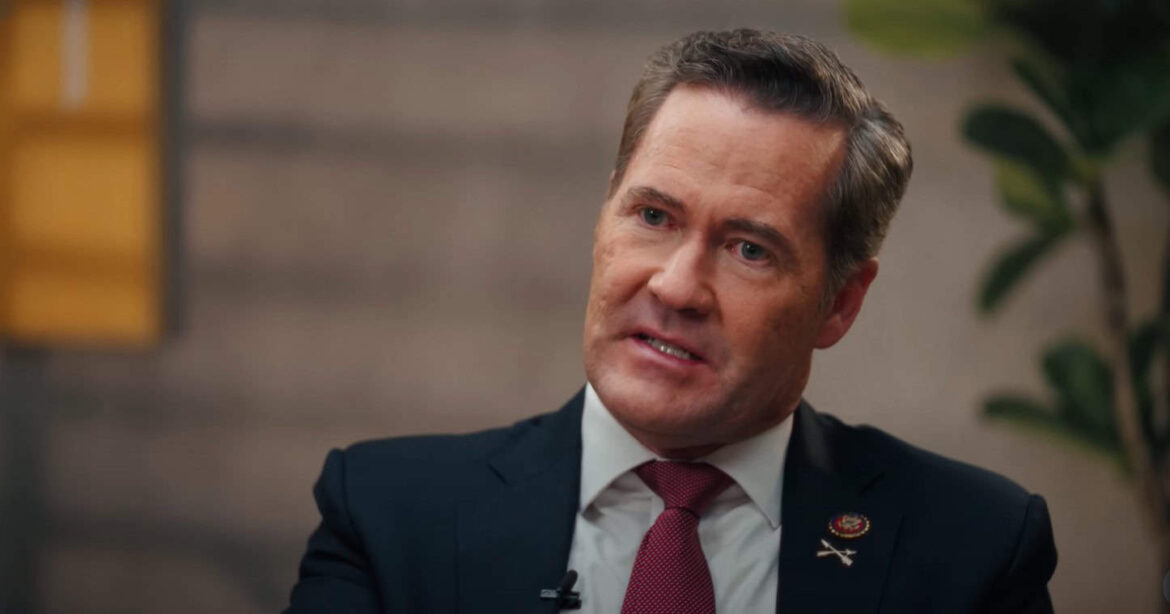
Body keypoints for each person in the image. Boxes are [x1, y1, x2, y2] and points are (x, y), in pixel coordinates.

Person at [285, 29, 1056, 613]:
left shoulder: (974, 548)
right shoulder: (386, 515)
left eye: (750, 249)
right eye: (653, 216)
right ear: (603, 220)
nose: (678, 287)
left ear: (841, 302)